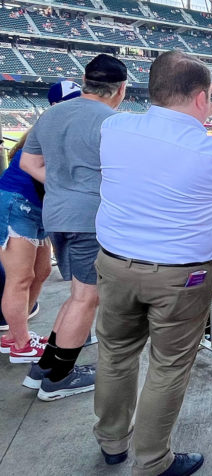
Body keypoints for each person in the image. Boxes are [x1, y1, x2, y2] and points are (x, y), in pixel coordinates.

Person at [92, 51, 212, 476]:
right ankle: (152, 461)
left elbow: (163, 137)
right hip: (181, 278)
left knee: (115, 354)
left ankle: (111, 441)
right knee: (168, 367)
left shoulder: (114, 127)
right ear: (202, 98)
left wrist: (196, 108)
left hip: (114, 265)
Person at [19, 54, 127, 401]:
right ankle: (59, 378)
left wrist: (63, 187)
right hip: (89, 218)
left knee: (79, 294)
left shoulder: (51, 115)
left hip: (57, 215)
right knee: (87, 297)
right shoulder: (113, 122)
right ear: (121, 89)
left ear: (85, 82)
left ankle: (45, 367)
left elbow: (28, 162)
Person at [0, 81, 78, 362]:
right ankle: (20, 344)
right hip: (17, 205)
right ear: (56, 106)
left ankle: (15, 335)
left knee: (41, 271)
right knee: (20, 278)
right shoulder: (54, 130)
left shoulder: (55, 128)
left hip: (36, 208)